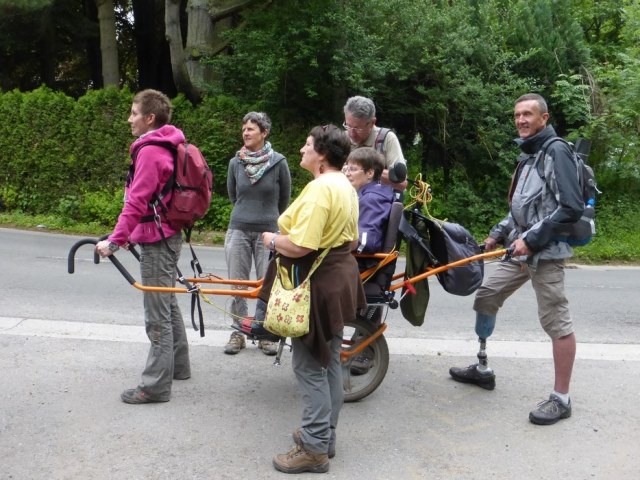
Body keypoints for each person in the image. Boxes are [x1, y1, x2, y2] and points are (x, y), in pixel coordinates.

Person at [448, 93, 584, 426]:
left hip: (546, 251)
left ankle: (561, 399)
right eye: (517, 115)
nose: (521, 120)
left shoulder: (557, 152)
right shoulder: (529, 156)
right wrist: (497, 234)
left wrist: (532, 240)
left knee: (556, 322)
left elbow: (571, 207)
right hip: (519, 247)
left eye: (528, 114)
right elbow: (521, 209)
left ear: (544, 118)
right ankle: (482, 368)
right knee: (486, 295)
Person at [260, 125, 365, 474]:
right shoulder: (345, 186)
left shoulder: (321, 188)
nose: (303, 150)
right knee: (330, 360)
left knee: (309, 366)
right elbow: (350, 242)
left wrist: (272, 240)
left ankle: (314, 448)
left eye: (307, 145)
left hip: (317, 283)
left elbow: (301, 245)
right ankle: (326, 436)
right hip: (339, 276)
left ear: (321, 155)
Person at [95, 89, 191, 404]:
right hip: (166, 234)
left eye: (134, 113)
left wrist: (116, 239)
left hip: (159, 239)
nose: (129, 119)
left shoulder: (151, 151)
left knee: (157, 313)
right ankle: (178, 366)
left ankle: (155, 386)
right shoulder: (168, 144)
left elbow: (137, 200)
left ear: (149, 117)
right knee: (167, 302)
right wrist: (127, 235)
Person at [223, 112, 291, 356]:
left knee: (268, 285)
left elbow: (284, 199)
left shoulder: (279, 162)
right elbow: (234, 196)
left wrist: (269, 221)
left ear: (264, 133)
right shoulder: (236, 162)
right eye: (244, 129)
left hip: (269, 232)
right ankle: (237, 332)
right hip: (238, 229)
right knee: (237, 285)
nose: (245, 133)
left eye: (251, 129)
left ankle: (266, 333)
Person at [343, 95, 408, 194]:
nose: (351, 133)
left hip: (376, 206)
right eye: (348, 126)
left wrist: (364, 170)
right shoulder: (343, 138)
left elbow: (402, 183)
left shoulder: (386, 138)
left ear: (372, 122)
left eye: (357, 128)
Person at [345, 147, 394, 254]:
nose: (347, 173)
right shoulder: (368, 195)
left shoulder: (371, 199)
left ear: (369, 173)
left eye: (352, 169)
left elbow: (365, 242)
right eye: (346, 169)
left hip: (361, 263)